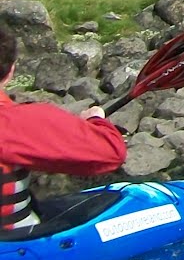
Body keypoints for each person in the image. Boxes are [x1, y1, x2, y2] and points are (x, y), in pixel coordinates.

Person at [0, 26, 127, 230]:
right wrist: (96, 120)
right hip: (14, 242)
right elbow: (112, 151)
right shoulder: (17, 122)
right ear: (11, 71)